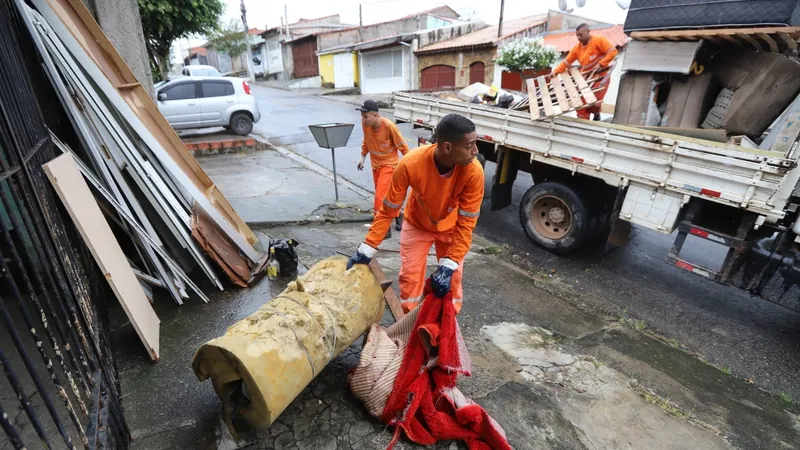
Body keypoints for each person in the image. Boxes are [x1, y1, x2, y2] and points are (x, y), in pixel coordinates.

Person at [347, 114, 484, 314]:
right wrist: (366, 249)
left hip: (451, 229)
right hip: (417, 224)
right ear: (447, 147)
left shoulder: (473, 172)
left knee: (452, 279)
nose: (476, 151)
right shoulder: (411, 164)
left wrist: (448, 265)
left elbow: (466, 223)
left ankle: (448, 323)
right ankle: (409, 321)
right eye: (469, 145)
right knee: (410, 277)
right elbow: (388, 211)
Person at [356, 100, 408, 237]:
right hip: (376, 166)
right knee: (389, 196)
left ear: (376, 115)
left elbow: (403, 147)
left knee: (379, 198)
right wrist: (362, 156)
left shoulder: (389, 126)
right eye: (362, 116)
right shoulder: (366, 124)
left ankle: (383, 229)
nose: (363, 119)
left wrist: (411, 165)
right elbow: (366, 140)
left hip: (389, 166)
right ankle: (398, 215)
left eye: (366, 116)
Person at [553, 23, 618, 121]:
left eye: (581, 35)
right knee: (582, 104)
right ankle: (583, 124)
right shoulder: (576, 49)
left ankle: (596, 114)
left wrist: (601, 64)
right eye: (577, 35)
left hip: (601, 78)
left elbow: (613, 52)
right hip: (586, 79)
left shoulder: (599, 40)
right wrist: (556, 71)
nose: (579, 37)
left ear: (588, 32)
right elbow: (566, 62)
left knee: (595, 103)